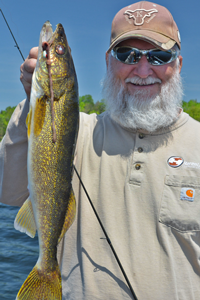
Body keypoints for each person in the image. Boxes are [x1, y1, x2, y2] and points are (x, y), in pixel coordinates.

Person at [1, 1, 200, 299]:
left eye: (159, 56)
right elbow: (7, 190)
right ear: (108, 61)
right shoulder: (76, 131)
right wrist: (33, 102)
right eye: (127, 54)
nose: (143, 69)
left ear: (179, 64)